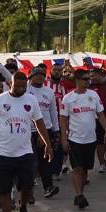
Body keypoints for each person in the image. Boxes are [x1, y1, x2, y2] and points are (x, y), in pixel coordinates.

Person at [0, 71, 53, 212]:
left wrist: (48, 145)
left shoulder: (31, 100)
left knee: (27, 185)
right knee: (4, 191)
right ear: (11, 83)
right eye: (17, 85)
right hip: (3, 153)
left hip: (25, 152)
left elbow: (40, 123)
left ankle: (23, 207)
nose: (21, 89)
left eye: (23, 86)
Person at [59, 69, 106, 210]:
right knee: (77, 168)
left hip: (91, 138)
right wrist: (63, 139)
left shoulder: (93, 95)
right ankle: (80, 194)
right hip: (75, 139)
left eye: (89, 79)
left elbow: (100, 114)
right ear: (77, 80)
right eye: (85, 79)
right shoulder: (68, 98)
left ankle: (80, 195)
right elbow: (63, 120)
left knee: (86, 170)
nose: (88, 81)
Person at [26, 66, 62, 200]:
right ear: (31, 76)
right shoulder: (25, 90)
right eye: (37, 74)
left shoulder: (49, 92)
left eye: (42, 74)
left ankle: (48, 187)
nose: (40, 76)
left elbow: (53, 112)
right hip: (28, 130)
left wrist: (56, 130)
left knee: (44, 160)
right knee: (30, 161)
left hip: (45, 130)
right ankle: (28, 191)